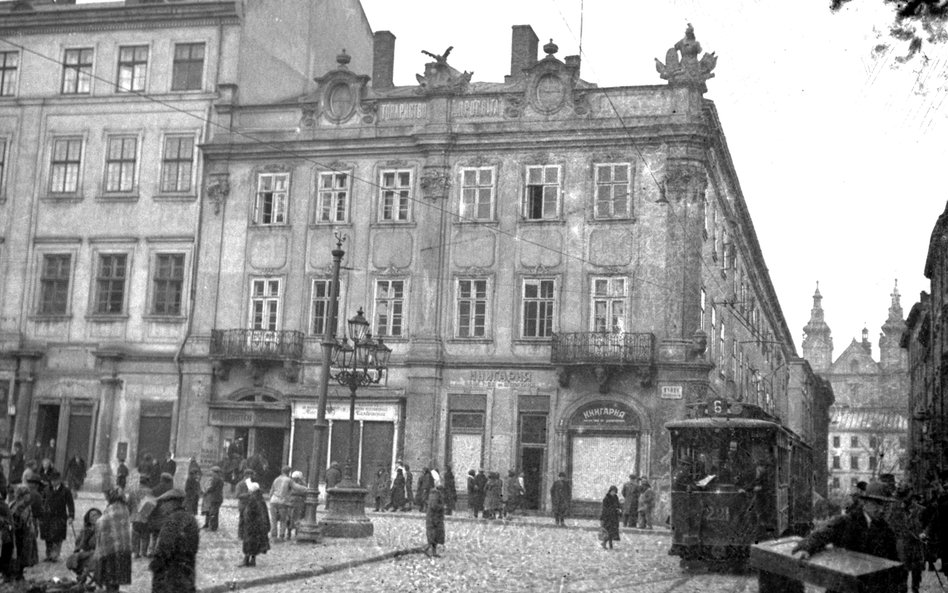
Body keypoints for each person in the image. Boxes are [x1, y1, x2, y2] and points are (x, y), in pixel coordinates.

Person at [791, 481, 901, 593]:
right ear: (864, 502)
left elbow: (895, 567)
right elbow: (821, 534)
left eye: (884, 505)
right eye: (876, 504)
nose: (881, 510)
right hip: (842, 587)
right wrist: (807, 548)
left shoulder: (887, 532)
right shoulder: (846, 522)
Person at [150, 488, 200, 593]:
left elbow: (164, 549)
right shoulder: (190, 518)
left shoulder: (173, 520)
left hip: (171, 575)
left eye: (163, 504)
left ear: (172, 503)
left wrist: (155, 564)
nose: (162, 508)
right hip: (187, 571)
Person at [94, 487, 133, 593]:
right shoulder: (125, 508)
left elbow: (102, 523)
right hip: (124, 547)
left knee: (110, 576)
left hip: (112, 548)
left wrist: (97, 520)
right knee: (116, 578)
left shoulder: (113, 508)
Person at [891, 484, 926, 593]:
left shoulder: (920, 510)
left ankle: (915, 589)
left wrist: (924, 533)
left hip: (916, 544)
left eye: (909, 496)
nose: (907, 499)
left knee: (917, 569)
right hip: (903, 544)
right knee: (903, 570)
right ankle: (903, 589)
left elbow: (927, 524)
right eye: (905, 496)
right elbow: (892, 526)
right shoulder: (896, 510)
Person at [40, 470, 74, 562]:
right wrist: (41, 513)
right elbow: (42, 502)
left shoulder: (66, 491)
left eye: (55, 480)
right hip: (48, 517)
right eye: (52, 481)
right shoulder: (46, 489)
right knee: (48, 537)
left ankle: (55, 555)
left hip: (60, 517)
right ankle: (48, 555)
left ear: (59, 480)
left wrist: (71, 516)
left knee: (57, 537)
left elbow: (70, 504)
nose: (53, 482)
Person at [9, 484, 39, 581]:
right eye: (26, 493)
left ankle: (19, 573)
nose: (29, 495)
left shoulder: (25, 505)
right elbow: (16, 520)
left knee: (24, 556)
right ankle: (16, 574)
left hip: (26, 535)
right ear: (22, 495)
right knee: (20, 555)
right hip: (20, 535)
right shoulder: (18, 506)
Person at [269, 465, 306, 540]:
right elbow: (296, 487)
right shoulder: (288, 480)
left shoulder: (276, 479)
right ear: (289, 472)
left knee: (274, 520)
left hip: (273, 501)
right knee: (283, 520)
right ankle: (281, 536)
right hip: (282, 502)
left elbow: (271, 491)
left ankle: (274, 537)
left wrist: (271, 499)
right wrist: (307, 489)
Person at [66, 507, 100, 585]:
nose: (94, 517)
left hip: (97, 554)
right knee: (74, 558)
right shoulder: (85, 529)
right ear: (88, 518)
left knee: (89, 560)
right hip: (86, 553)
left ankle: (83, 576)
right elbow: (79, 543)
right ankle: (81, 575)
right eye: (91, 515)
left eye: (96, 515)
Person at [240, 482, 270, 567]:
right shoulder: (260, 498)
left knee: (248, 542)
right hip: (258, 526)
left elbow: (249, 512)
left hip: (252, 525)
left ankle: (246, 560)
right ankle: (252, 560)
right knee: (255, 543)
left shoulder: (252, 499)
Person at [126, 474, 154, 559]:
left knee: (135, 535)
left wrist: (131, 513)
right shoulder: (149, 491)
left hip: (135, 517)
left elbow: (129, 504)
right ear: (147, 482)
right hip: (145, 517)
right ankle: (144, 552)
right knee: (145, 535)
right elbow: (151, 504)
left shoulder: (133, 491)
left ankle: (136, 553)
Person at [423, 471, 445, 558]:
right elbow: (434, 506)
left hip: (435, 518)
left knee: (435, 535)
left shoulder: (435, 493)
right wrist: (442, 507)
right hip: (434, 518)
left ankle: (431, 550)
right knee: (433, 534)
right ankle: (430, 550)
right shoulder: (435, 494)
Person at [202, 466, 224, 531]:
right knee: (215, 513)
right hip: (218, 498)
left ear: (215, 472)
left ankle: (212, 527)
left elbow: (212, 488)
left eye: (212, 472)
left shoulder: (216, 479)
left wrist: (206, 491)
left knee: (213, 513)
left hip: (215, 498)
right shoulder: (220, 479)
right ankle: (214, 526)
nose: (211, 473)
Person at [600, 485, 621, 549]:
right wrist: (603, 518)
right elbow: (604, 509)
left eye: (615, 492)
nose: (613, 493)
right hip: (608, 518)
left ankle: (610, 544)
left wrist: (618, 509)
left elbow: (618, 505)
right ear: (610, 491)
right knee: (607, 532)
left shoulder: (616, 497)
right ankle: (604, 543)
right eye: (612, 491)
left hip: (614, 517)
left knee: (612, 532)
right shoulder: (606, 498)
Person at [287, 471, 306, 539]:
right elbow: (305, 491)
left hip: (291, 501)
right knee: (297, 517)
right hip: (299, 502)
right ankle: (295, 533)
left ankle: (289, 533)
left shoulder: (290, 482)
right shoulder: (302, 483)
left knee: (290, 517)